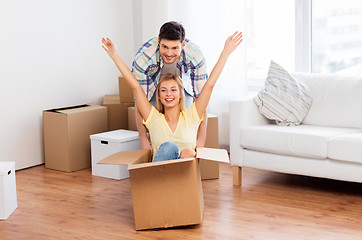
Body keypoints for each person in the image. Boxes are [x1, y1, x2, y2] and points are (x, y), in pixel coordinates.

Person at [102, 31, 242, 161]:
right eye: (163, 90)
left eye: (173, 90)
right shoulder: (153, 118)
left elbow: (210, 84)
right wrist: (114, 55)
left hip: (184, 178)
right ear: (159, 96)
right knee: (170, 147)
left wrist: (226, 52)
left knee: (187, 153)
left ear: (181, 94)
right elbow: (136, 87)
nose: (168, 94)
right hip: (160, 176)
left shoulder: (191, 116)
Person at [131, 21, 209, 155]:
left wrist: (200, 142)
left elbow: (201, 99)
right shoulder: (143, 58)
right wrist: (144, 141)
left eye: (174, 48)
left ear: (183, 45)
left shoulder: (195, 55)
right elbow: (139, 99)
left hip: (180, 81)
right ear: (158, 42)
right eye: (165, 47)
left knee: (185, 122)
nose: (169, 53)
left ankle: (180, 157)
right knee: (154, 120)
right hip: (155, 83)